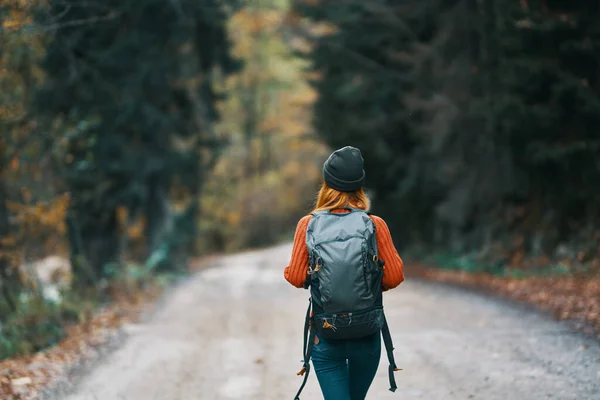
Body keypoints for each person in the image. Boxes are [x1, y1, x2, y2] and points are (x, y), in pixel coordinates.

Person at [284, 146, 405, 400]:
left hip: (326, 335)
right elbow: (394, 276)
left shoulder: (308, 224)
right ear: (359, 187)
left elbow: (295, 277)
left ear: (326, 184)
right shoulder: (374, 224)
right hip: (366, 332)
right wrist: (365, 282)